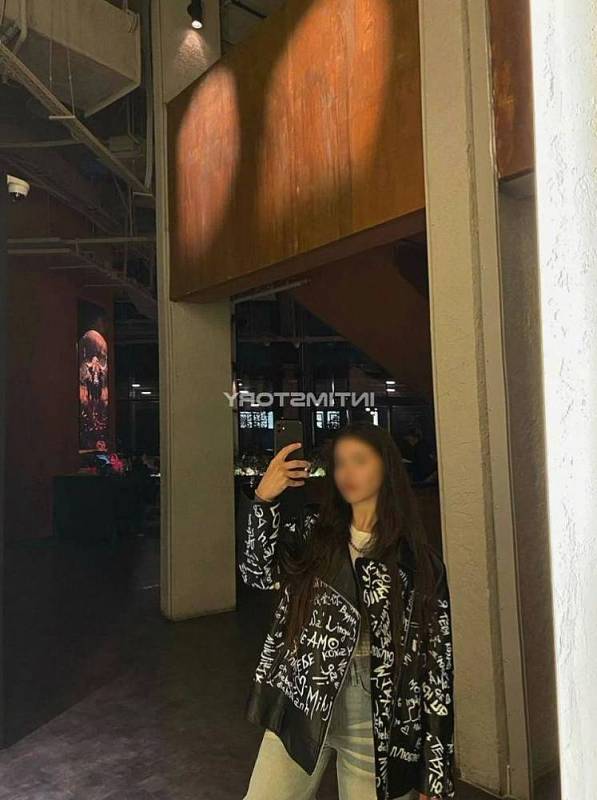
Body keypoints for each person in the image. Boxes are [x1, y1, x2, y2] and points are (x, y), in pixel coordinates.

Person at [237, 421, 455, 800]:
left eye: (359, 460)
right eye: (340, 463)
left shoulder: (418, 563)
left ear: (386, 467)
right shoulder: (314, 532)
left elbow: (437, 669)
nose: (347, 472)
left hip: (375, 713)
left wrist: (435, 775)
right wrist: (263, 500)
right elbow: (257, 573)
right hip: (304, 694)